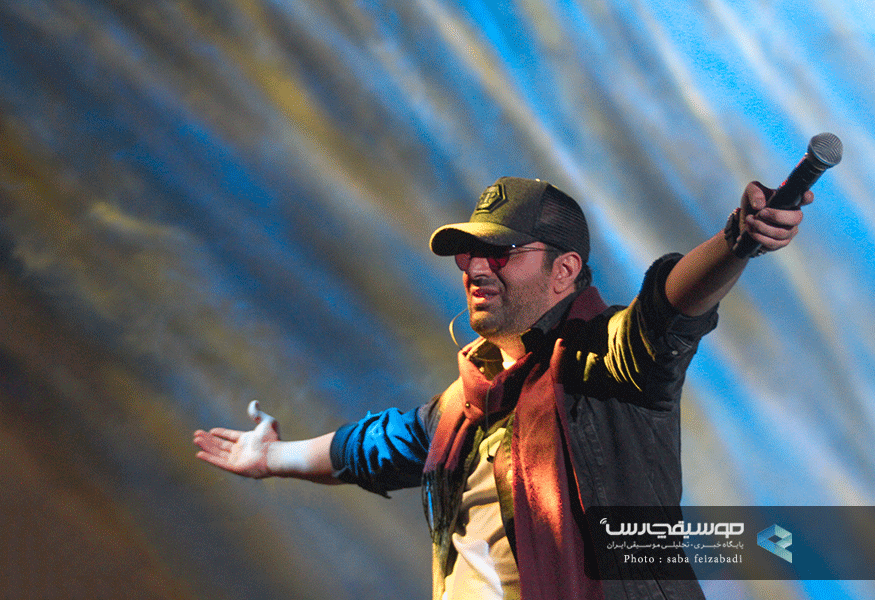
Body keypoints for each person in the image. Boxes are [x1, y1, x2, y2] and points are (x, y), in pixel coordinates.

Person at [193, 176, 812, 600]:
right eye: (467, 254)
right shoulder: (464, 405)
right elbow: (370, 446)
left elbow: (666, 310)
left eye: (501, 251)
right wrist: (271, 456)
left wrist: (737, 243)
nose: (475, 268)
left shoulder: (606, 363)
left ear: (564, 270)